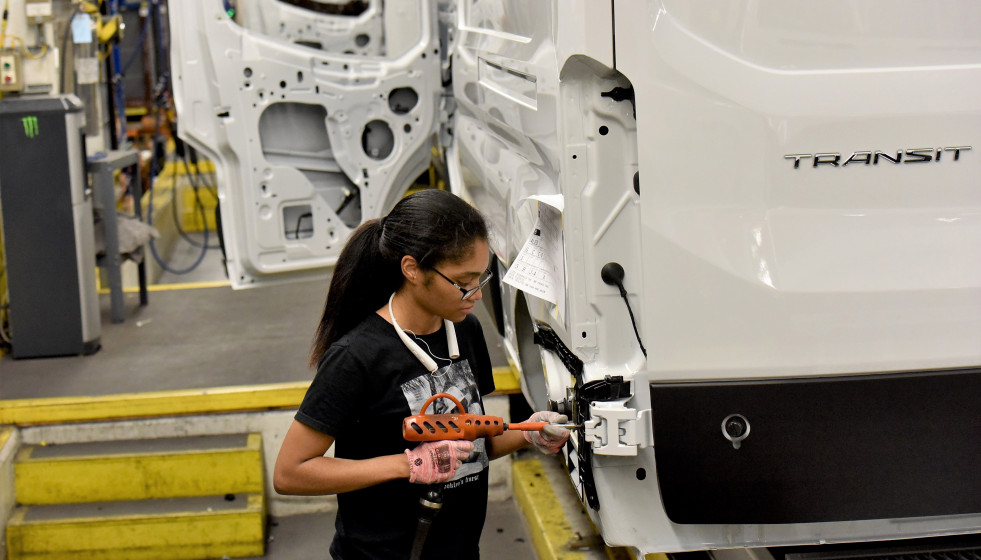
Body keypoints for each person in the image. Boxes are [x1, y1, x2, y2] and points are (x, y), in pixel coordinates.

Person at [273, 189, 570, 560]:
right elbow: (290, 473)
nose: (475, 293)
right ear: (412, 269)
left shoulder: (466, 332)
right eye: (464, 281)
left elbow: (473, 446)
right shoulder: (357, 357)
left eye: (482, 278)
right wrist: (408, 465)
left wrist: (530, 433)